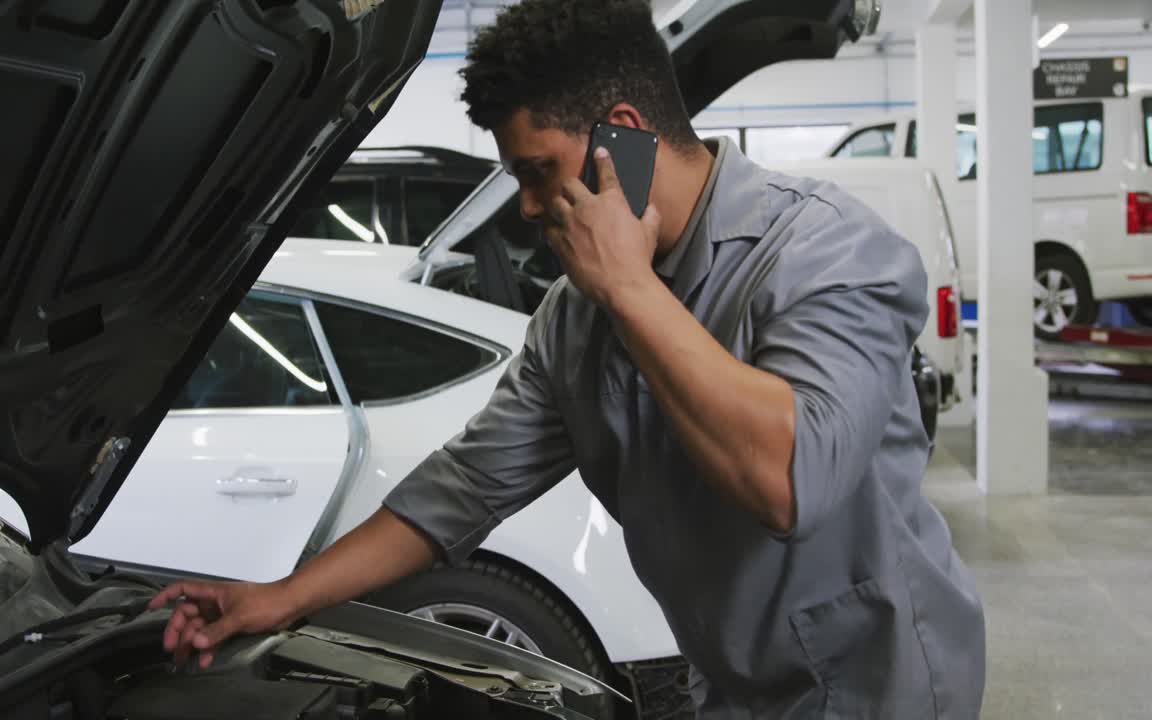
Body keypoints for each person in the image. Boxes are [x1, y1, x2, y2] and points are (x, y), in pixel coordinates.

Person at [151, 1, 986, 716]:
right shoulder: (574, 321)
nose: (525, 205)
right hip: (728, 681)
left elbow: (789, 483)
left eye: (538, 170)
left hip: (881, 683)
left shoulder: (826, 251)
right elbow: (463, 490)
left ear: (625, 136)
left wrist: (629, 287)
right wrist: (281, 598)